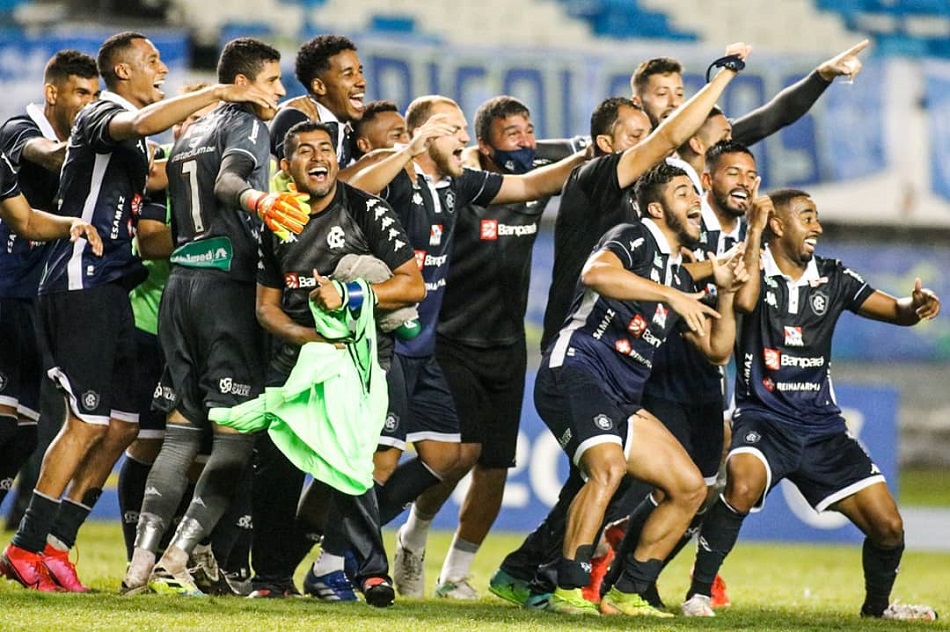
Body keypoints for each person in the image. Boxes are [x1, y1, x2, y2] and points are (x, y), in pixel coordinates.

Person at [0, 30, 272, 593]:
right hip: (80, 279)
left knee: (123, 424)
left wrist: (199, 130)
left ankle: (57, 543)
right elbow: (140, 127)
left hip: (113, 285)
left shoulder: (134, 137)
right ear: (122, 72)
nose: (162, 72)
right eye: (152, 62)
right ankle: (25, 547)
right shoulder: (104, 111)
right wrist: (220, 94)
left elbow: (162, 170)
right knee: (86, 421)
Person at [491, 44, 750, 606]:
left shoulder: (651, 231)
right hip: (581, 345)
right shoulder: (597, 182)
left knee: (646, 480)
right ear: (607, 144)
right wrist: (722, 79)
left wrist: (719, 282)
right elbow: (612, 268)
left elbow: (687, 290)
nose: (646, 142)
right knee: (605, 472)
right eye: (634, 134)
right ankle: (554, 580)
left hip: (625, 359)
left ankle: (559, 575)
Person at [347, 94, 588, 598]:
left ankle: (455, 572)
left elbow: (542, 175)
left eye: (529, 131)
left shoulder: (511, 182)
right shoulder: (453, 184)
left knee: (492, 467)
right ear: (483, 143)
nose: (524, 141)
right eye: (511, 133)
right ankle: (400, 539)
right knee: (455, 454)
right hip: (450, 339)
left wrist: (594, 153)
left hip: (506, 344)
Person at [681, 187, 940, 621]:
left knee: (889, 527)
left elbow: (894, 311)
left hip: (823, 428)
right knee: (741, 483)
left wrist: (914, 306)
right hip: (763, 417)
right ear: (779, 225)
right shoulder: (751, 265)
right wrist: (755, 230)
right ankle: (700, 594)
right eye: (807, 216)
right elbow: (743, 301)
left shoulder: (833, 276)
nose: (817, 226)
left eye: (817, 217)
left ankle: (877, 609)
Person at [120, 37, 294, 596]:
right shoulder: (244, 124)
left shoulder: (191, 128)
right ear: (243, 83)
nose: (279, 92)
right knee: (236, 440)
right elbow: (228, 183)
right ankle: (178, 556)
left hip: (182, 285)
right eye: (272, 81)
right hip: (226, 288)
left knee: (180, 436)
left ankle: (139, 567)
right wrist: (262, 202)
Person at [538, 161, 748, 617]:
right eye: (682, 193)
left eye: (695, 193)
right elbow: (596, 274)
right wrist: (671, 294)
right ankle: (568, 590)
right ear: (655, 209)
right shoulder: (633, 236)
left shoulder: (678, 274)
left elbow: (718, 350)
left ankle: (628, 590)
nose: (695, 200)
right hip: (576, 368)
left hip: (622, 396)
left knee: (691, 487)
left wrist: (726, 292)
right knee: (607, 469)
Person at [254, 120, 424, 606]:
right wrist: (307, 336)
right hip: (297, 357)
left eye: (325, 149)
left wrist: (350, 292)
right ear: (286, 168)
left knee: (352, 460)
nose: (317, 158)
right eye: (304, 151)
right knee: (276, 465)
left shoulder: (366, 208)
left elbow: (412, 286)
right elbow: (266, 307)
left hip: (359, 357)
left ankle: (370, 573)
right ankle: (270, 577)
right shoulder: (277, 222)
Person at [601, 139, 760, 605]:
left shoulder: (745, 236)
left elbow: (739, 306)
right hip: (661, 373)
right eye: (733, 173)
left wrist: (751, 240)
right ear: (707, 181)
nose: (744, 184)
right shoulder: (689, 228)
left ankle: (634, 580)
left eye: (752, 176)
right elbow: (680, 277)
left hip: (707, 384)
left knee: (698, 491)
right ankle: (565, 570)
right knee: (629, 485)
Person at [0, 50, 99, 514]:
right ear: (52, 93)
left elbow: (28, 221)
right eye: (81, 93)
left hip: (35, 302)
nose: (88, 104)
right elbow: (48, 155)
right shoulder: (20, 132)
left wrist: (70, 225)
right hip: (5, 294)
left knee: (23, 436)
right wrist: (103, 143)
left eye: (96, 96)